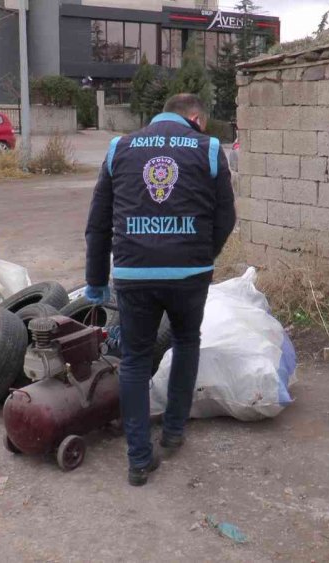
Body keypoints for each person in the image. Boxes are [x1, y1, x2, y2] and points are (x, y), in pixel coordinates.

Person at [83, 93, 236, 486]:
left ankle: (138, 460)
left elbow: (98, 224)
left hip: (134, 273)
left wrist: (96, 281)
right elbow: (226, 217)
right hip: (190, 273)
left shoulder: (120, 148)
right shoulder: (209, 148)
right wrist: (203, 254)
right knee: (186, 341)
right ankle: (173, 432)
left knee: (134, 359)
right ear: (196, 118)